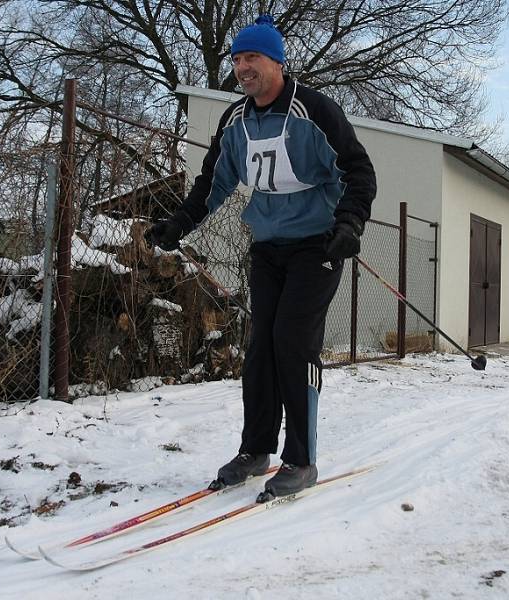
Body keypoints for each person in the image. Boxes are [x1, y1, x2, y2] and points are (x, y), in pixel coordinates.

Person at [146, 14, 376, 499]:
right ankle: (255, 450)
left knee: (293, 341)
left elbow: (358, 170)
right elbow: (212, 182)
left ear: (277, 61)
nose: (241, 68)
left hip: (319, 244)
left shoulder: (314, 111)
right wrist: (178, 224)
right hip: (268, 247)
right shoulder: (235, 121)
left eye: (251, 57)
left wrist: (350, 223)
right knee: (260, 350)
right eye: (236, 59)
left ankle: (301, 459)